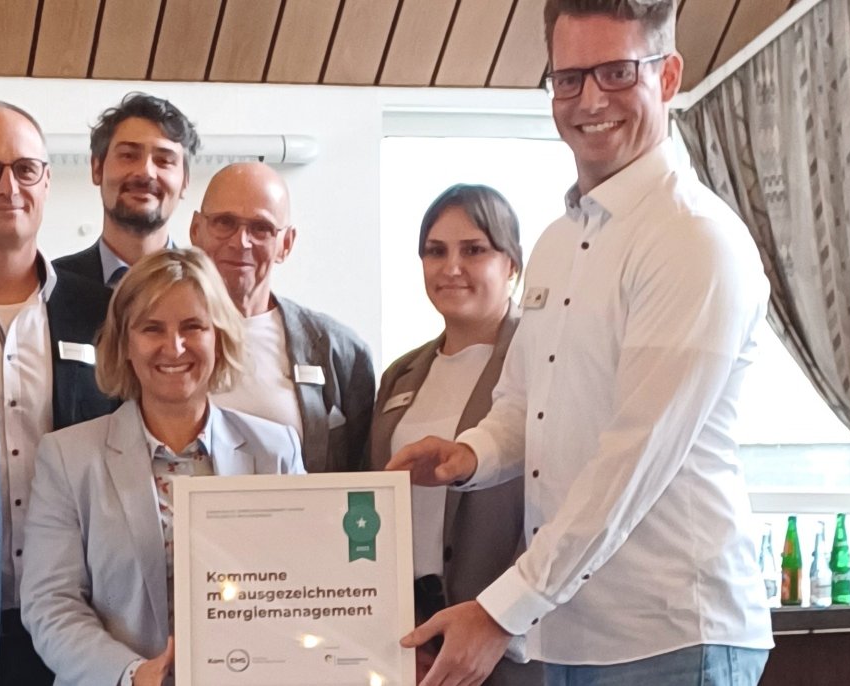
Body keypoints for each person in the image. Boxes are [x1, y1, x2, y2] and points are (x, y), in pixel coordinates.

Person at [388, 1, 773, 684]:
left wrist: (501, 609)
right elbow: (524, 406)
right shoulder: (558, 241)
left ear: (669, 75)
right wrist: (469, 455)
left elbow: (632, 459)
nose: (590, 99)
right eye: (568, 79)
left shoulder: (693, 238)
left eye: (617, 72)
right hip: (566, 634)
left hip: (674, 636)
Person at [21, 248, 306, 686]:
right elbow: (50, 604)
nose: (174, 347)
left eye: (193, 326)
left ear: (220, 337)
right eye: (152, 329)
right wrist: (133, 674)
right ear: (125, 344)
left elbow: (304, 588)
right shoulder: (68, 458)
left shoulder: (276, 451)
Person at [0, 100, 120, 686]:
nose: (8, 186)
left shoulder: (103, 313)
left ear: (47, 181)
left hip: (80, 615)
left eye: (26, 169)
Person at [370, 185, 542, 686]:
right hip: (415, 637)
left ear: (512, 264)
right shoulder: (401, 375)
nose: (451, 267)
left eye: (474, 250)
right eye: (435, 251)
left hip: (508, 638)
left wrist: (503, 621)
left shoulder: (542, 364)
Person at [189, 162, 375, 473]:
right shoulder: (156, 339)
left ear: (285, 244)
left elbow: (365, 475)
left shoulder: (338, 350)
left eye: (260, 228)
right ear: (197, 229)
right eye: (224, 222)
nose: (241, 242)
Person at [54, 92, 199, 287]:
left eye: (164, 160)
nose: (146, 172)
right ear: (97, 168)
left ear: (185, 182)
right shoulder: (52, 287)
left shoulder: (205, 291)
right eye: (129, 155)